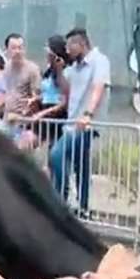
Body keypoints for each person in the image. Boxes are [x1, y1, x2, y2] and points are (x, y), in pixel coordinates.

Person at [48, 28, 111, 213]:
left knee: (57, 154)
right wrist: (58, 70)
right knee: (81, 164)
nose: (67, 51)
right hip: (72, 123)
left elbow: (98, 87)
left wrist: (88, 114)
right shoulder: (73, 68)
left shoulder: (99, 61)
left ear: (81, 44)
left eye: (70, 46)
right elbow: (65, 90)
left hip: (87, 124)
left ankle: (62, 200)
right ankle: (83, 207)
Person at [35, 35, 70, 120]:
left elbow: (64, 100)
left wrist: (59, 70)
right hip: (45, 109)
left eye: (49, 53)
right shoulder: (49, 72)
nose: (47, 55)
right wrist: (35, 99)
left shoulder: (67, 72)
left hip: (57, 114)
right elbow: (47, 93)